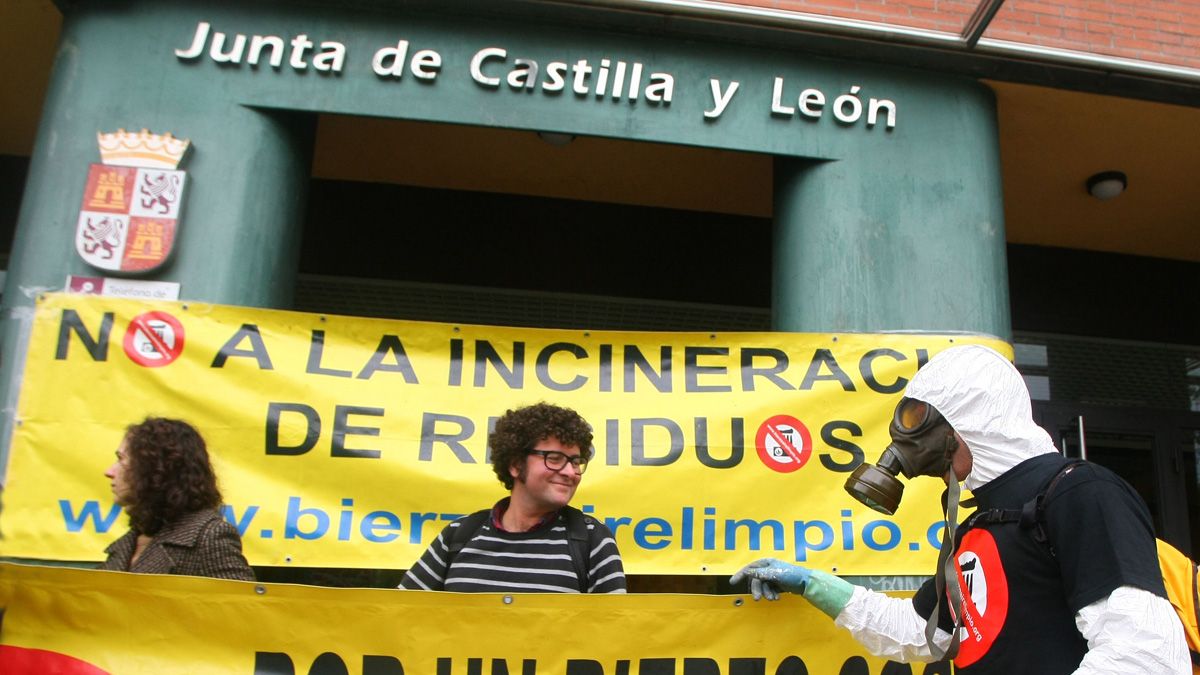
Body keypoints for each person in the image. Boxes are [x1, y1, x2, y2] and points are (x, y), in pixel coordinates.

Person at [731, 344, 1189, 674]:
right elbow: (920, 632)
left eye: (923, 424)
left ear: (971, 420)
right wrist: (813, 583)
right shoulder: (976, 527)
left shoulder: (1078, 493)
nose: (913, 447)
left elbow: (1144, 655)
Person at [400, 402, 625, 593]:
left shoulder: (593, 540)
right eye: (554, 458)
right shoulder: (459, 535)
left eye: (576, 462)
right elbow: (400, 617)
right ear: (516, 465)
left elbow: (613, 634)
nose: (570, 472)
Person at [101, 417, 254, 581]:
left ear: (155, 467)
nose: (109, 472)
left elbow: (240, 605)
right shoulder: (128, 544)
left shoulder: (208, 536)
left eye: (121, 459)